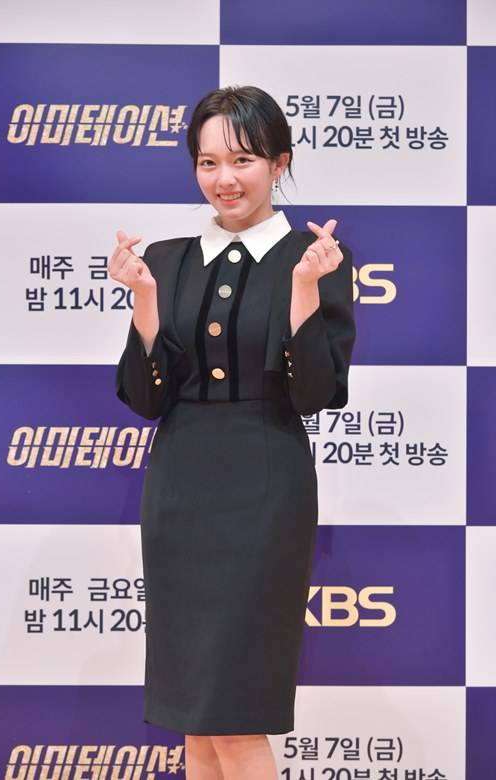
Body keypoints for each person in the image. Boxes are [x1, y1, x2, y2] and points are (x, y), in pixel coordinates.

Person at [109, 85, 356, 780]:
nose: (224, 178)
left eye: (243, 160)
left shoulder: (316, 258)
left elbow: (315, 394)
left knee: (237, 716)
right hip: (180, 491)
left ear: (280, 163)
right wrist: (145, 301)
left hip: (265, 489)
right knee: (196, 719)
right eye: (208, 161)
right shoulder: (165, 259)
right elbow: (145, 398)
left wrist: (305, 289)